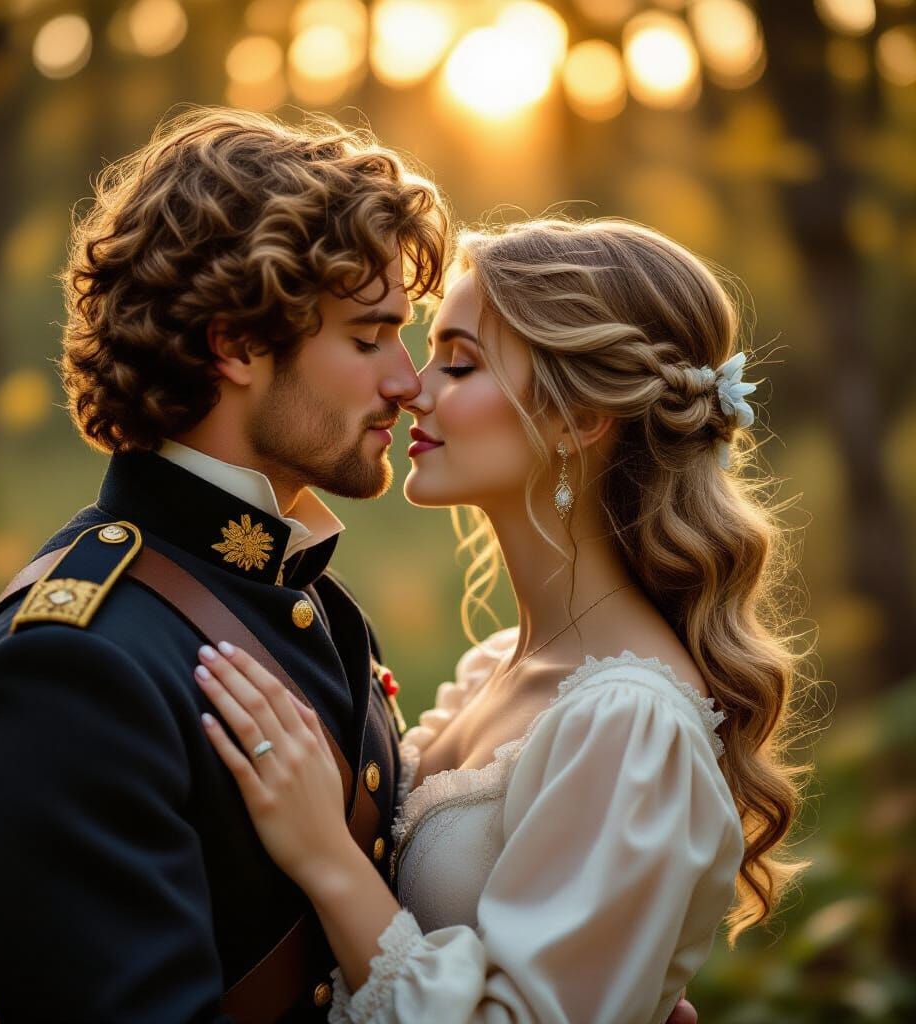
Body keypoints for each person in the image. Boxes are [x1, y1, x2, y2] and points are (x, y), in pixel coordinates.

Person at [189, 218, 810, 1022]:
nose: (413, 387)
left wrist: (323, 854)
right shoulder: (493, 667)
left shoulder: (629, 726)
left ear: (578, 418)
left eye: (459, 362)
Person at [0, 107, 447, 1022]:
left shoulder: (300, 591)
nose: (406, 382)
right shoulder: (68, 669)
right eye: (368, 338)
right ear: (235, 343)